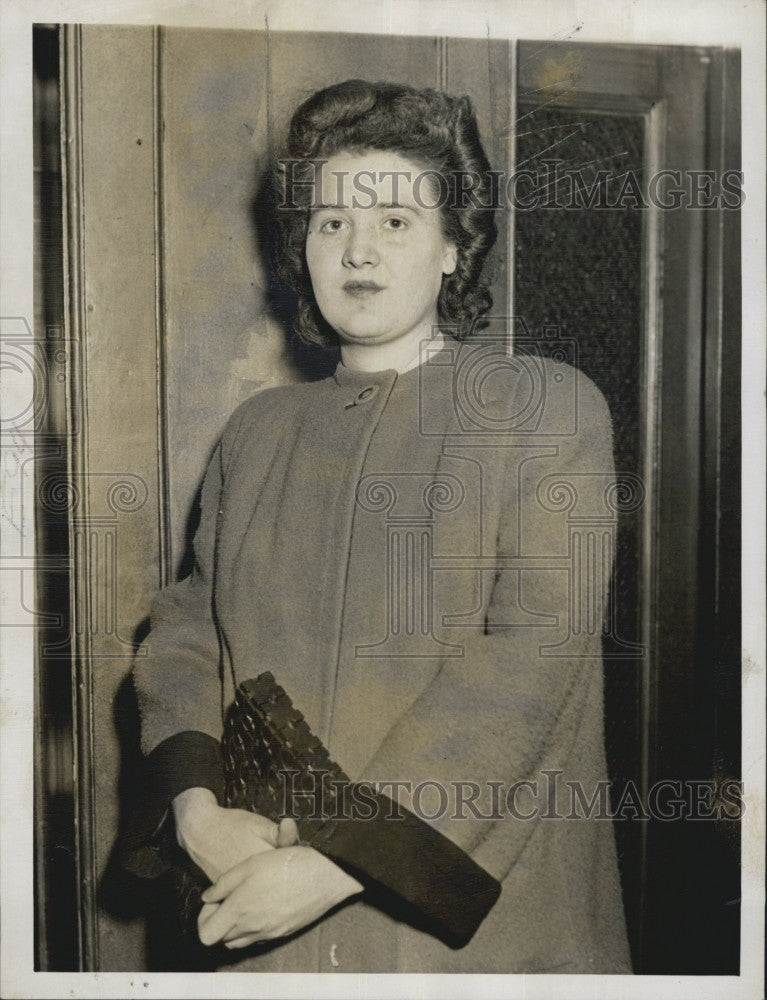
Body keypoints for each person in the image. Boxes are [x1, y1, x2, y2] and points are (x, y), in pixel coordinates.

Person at [127, 79, 632, 974]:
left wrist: (330, 865)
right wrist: (196, 810)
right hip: (261, 915)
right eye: (330, 223)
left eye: (395, 221)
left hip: (471, 933)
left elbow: (526, 663)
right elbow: (187, 631)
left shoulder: (544, 409)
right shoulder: (257, 432)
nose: (357, 249)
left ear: (451, 249)